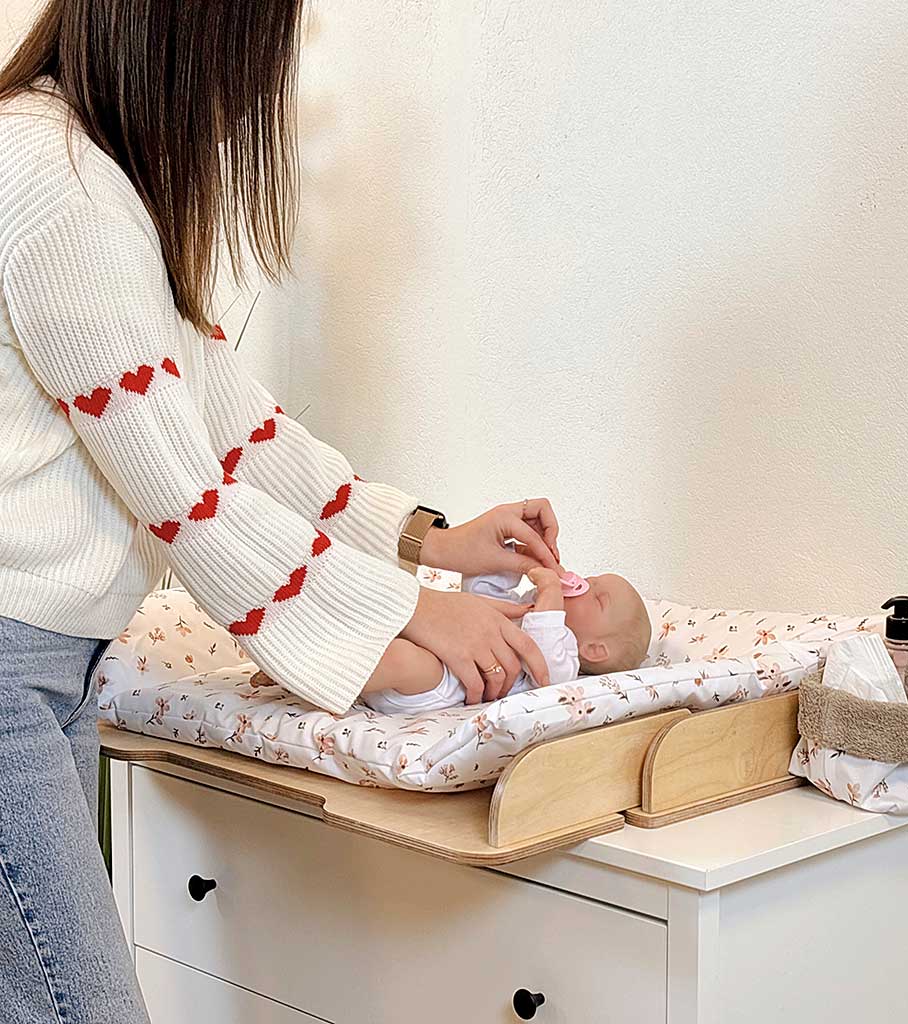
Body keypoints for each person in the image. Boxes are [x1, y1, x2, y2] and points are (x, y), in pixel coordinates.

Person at [0, 3, 561, 1021]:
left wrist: (430, 539)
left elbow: (235, 425)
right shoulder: (55, 182)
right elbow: (183, 494)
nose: (259, 85)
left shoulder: (91, 177)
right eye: (261, 47)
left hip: (50, 667)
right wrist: (409, 611)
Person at [359, 567, 652, 714]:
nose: (584, 585)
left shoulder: (565, 664)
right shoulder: (527, 609)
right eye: (591, 579)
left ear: (595, 650)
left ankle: (343, 678)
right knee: (385, 623)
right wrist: (508, 569)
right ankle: (346, 670)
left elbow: (541, 655)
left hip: (440, 684)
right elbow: (478, 593)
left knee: (402, 658)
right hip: (435, 643)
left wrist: (551, 591)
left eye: (597, 597)